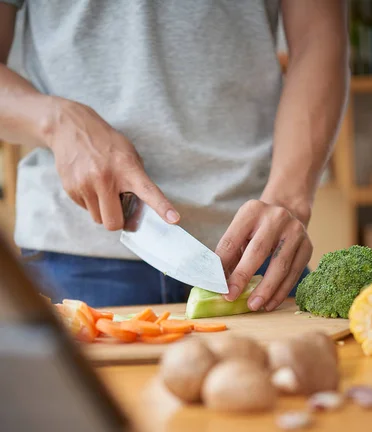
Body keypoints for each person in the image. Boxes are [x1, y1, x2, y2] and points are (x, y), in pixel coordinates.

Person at [0, 1, 349, 309]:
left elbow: (319, 41)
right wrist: (58, 122)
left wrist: (289, 198)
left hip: (257, 249)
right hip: (76, 258)